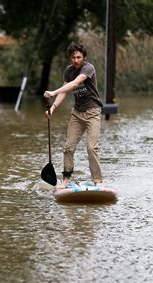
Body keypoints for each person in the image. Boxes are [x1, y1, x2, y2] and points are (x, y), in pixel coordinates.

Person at [44, 42, 104, 188]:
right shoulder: (68, 71)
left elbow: (75, 84)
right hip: (77, 113)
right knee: (68, 147)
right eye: (73, 57)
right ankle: (66, 179)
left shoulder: (88, 68)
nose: (76, 60)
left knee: (91, 148)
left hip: (92, 112)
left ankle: (97, 181)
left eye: (79, 57)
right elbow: (65, 90)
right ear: (70, 58)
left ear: (84, 57)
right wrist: (53, 107)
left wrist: (53, 92)